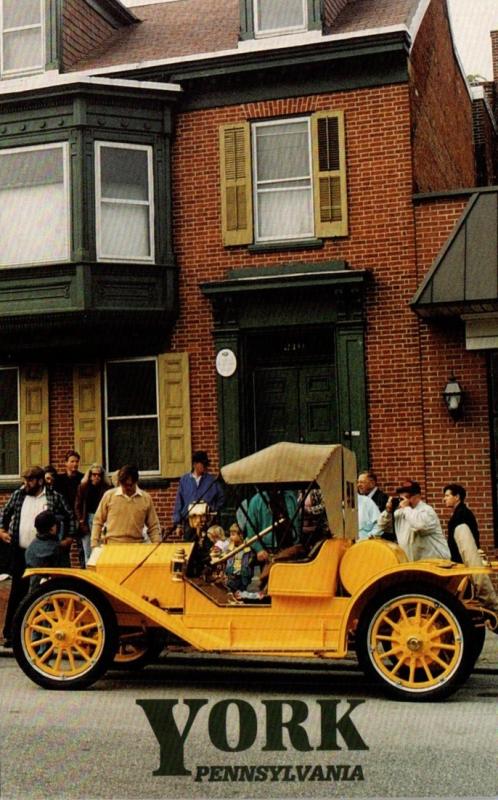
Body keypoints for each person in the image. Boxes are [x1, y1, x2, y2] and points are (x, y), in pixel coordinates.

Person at [0, 466, 75, 648]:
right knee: (18, 590)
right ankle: (11, 634)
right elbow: (4, 513)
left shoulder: (54, 497)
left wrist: (68, 538)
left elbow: (70, 516)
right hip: (20, 549)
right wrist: (1, 531)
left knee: (41, 593)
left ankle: (41, 635)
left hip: (44, 552)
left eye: (30, 481)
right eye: (25, 481)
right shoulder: (19, 495)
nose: (26, 484)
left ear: (40, 481)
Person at [443, 484, 498, 615]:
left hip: (464, 563)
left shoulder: (461, 515)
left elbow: (466, 544)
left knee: (465, 597)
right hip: (463, 562)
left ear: (457, 497)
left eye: (447, 495)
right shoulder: (461, 513)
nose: (444, 499)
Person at [377, 479, 450, 561]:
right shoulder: (400, 513)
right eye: (401, 498)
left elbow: (419, 525)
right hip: (412, 563)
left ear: (418, 496)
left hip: (434, 563)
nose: (404, 501)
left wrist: (406, 508)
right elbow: (381, 526)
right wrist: (388, 511)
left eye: (407, 497)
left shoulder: (426, 510)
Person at [90, 464, 161, 547]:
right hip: (112, 545)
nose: (128, 488)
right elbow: (98, 521)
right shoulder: (109, 496)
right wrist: (94, 543)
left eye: (130, 485)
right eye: (125, 485)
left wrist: (157, 544)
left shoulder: (146, 498)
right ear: (120, 482)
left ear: (136, 482)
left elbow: (153, 526)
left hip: (136, 546)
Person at [173, 451, 224, 535]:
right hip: (189, 523)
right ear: (195, 464)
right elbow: (179, 503)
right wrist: (178, 524)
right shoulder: (184, 480)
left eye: (206, 464)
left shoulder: (211, 481)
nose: (205, 467)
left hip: (207, 524)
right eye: (203, 464)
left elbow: (221, 498)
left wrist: (212, 509)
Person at [245, 488, 299, 563]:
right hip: (268, 552)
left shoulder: (290, 497)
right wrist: (259, 549)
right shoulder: (256, 501)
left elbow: (297, 524)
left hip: (290, 548)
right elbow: (251, 532)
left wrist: (296, 545)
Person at [25, 510, 73, 591]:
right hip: (52, 590)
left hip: (33, 589)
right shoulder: (57, 549)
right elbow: (65, 573)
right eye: (55, 524)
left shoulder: (31, 547)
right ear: (52, 529)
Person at [75, 464, 110, 565]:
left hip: (102, 520)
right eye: (94, 474)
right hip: (87, 519)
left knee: (100, 549)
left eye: (99, 475)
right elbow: (77, 505)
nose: (96, 477)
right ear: (90, 475)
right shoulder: (83, 487)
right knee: (88, 551)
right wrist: (81, 521)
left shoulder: (106, 489)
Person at [225, 524, 254, 593]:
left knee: (240, 591)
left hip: (241, 576)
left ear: (241, 535)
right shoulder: (231, 547)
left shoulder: (247, 549)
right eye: (230, 535)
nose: (230, 537)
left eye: (233, 534)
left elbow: (249, 562)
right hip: (232, 575)